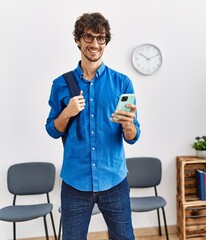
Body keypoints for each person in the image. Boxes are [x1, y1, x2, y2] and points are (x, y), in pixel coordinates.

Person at [45, 12, 140, 240]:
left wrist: (128, 126)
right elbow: (52, 129)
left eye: (100, 38)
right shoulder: (61, 84)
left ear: (106, 42)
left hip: (114, 181)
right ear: (78, 40)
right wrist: (67, 113)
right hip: (75, 183)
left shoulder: (122, 82)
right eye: (88, 37)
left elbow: (133, 135)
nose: (95, 44)